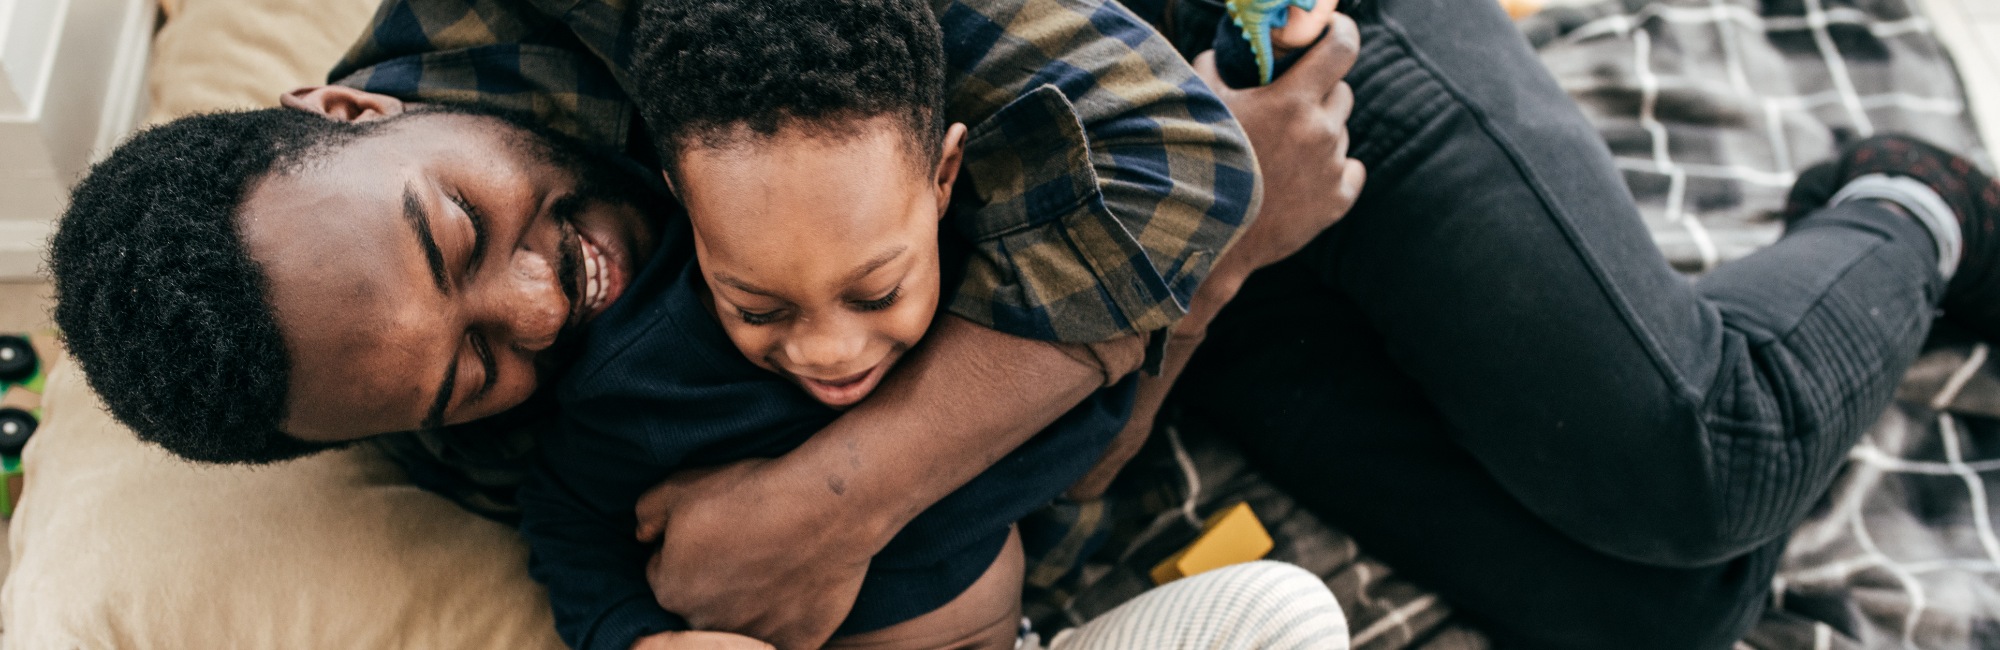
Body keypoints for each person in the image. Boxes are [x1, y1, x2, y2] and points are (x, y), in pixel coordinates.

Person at [49, 1, 2000, 649]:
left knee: (1681, 465)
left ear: (352, 107)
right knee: (1653, 614)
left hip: (1273, 80)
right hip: (1166, 294)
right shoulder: (431, 387)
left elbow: (1182, 159)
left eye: (466, 230)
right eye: (475, 356)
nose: (548, 295)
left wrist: (833, 488)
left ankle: (1908, 199)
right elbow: (988, 531)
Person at [521, 0, 1354, 648]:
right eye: (759, 307)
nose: (829, 350)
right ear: (684, 204)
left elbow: (1091, 438)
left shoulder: (1000, 306)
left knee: (1287, 612)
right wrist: (633, 638)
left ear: (945, 177)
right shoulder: (646, 375)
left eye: (877, 294)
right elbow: (563, 517)